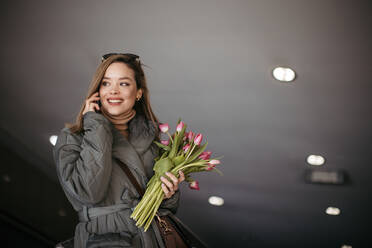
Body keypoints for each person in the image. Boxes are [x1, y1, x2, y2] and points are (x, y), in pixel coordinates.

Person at [53, 53, 190, 248]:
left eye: (123, 84)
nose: (113, 91)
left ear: (139, 92)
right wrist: (96, 126)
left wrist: (169, 193)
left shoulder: (154, 141)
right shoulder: (73, 138)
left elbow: (165, 208)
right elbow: (89, 193)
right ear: (97, 91)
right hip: (106, 239)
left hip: (151, 239)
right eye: (106, 83)